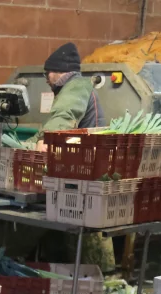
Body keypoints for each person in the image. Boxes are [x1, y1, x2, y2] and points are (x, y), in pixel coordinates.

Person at [36, 43, 114, 271]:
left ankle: (100, 285)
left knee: (89, 240)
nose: (47, 80)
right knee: (83, 239)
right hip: (83, 177)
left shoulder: (76, 87)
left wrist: (44, 140)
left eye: (47, 74)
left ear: (58, 72)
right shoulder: (76, 87)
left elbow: (63, 116)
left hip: (87, 179)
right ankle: (95, 282)